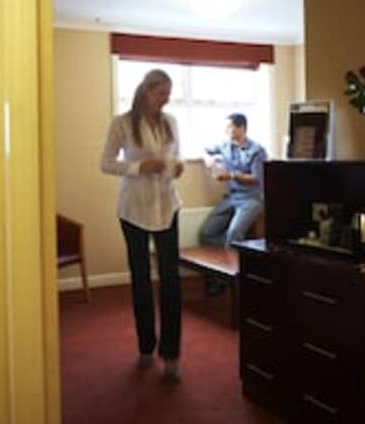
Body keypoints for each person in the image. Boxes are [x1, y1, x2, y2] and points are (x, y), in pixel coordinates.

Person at [100, 69, 185, 382]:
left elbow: (176, 158)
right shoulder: (122, 123)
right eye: (161, 93)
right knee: (141, 279)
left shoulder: (171, 122)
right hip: (133, 209)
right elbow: (106, 163)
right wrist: (139, 167)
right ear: (146, 91)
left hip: (167, 206)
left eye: (168, 94)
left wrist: (177, 168)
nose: (166, 99)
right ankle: (146, 346)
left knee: (171, 280)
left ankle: (171, 354)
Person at [200, 113, 267, 293]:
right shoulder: (224, 145)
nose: (226, 130)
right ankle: (218, 272)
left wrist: (231, 175)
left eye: (229, 127)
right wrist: (209, 160)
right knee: (207, 233)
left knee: (234, 234)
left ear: (242, 128)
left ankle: (230, 281)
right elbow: (205, 150)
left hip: (252, 198)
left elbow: (257, 179)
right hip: (232, 197)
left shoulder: (257, 150)